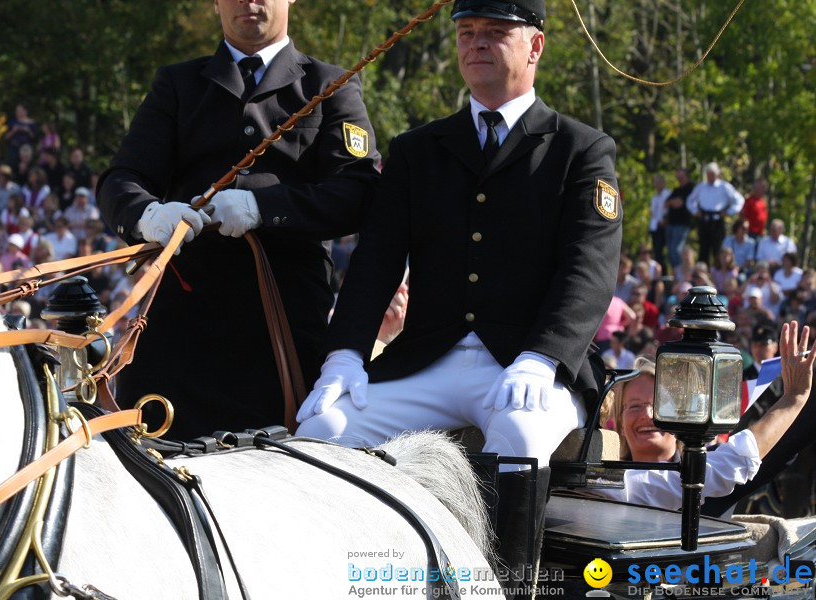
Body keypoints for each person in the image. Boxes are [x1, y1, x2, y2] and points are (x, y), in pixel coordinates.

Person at [296, 0, 622, 471]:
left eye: (495, 31)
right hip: (429, 359)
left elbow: (589, 268)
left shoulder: (581, 149)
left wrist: (543, 356)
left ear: (536, 46)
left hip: (527, 363)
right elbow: (376, 261)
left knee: (519, 435)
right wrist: (344, 354)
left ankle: (507, 551)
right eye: (466, 32)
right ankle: (368, 552)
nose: (477, 43)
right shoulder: (418, 149)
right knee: (322, 432)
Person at [97, 0, 381, 438]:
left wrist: (261, 207)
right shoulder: (178, 84)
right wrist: (148, 215)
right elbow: (122, 179)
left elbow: (356, 192)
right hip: (180, 328)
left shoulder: (331, 84)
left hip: (284, 326)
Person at [596, 323, 813, 513]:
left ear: (683, 419)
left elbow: (787, 441)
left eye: (661, 405)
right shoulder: (601, 482)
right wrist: (794, 397)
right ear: (620, 423)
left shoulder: (717, 465)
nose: (647, 414)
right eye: (635, 406)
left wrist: (798, 395)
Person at [686, 162, 744, 268]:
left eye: (712, 174)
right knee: (703, 248)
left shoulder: (724, 186)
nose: (710, 176)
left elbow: (739, 200)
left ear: (717, 174)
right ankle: (703, 271)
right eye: (708, 174)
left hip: (717, 220)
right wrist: (695, 211)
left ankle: (718, 271)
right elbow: (690, 201)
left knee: (718, 248)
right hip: (704, 219)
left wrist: (729, 212)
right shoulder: (701, 187)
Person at [664, 167, 694, 274]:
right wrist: (674, 202)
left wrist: (675, 202)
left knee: (677, 250)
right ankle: (675, 274)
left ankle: (682, 274)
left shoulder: (691, 188)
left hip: (682, 224)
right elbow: (666, 204)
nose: (679, 179)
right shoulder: (676, 190)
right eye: (678, 177)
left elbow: (680, 203)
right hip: (671, 224)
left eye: (681, 177)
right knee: (670, 251)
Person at [648, 174, 669, 269]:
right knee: (656, 251)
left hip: (664, 226)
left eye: (658, 182)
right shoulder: (654, 197)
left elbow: (668, 210)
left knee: (662, 251)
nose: (656, 184)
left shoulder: (668, 194)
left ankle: (664, 270)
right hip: (655, 226)